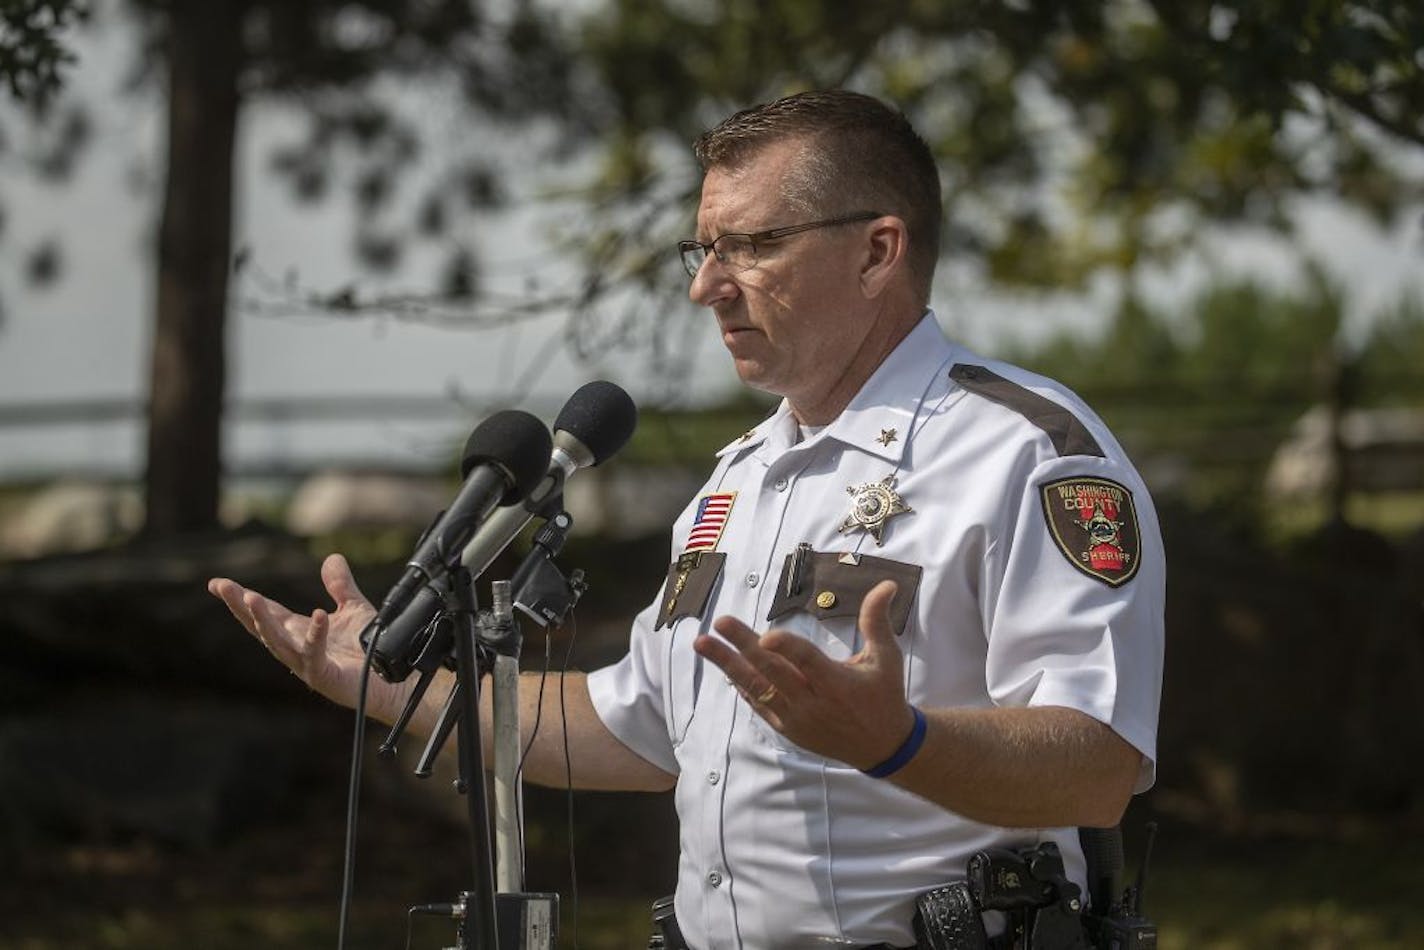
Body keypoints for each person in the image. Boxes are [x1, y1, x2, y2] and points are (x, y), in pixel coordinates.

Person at [210, 90, 1164, 950]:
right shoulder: (738, 481)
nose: (707, 285)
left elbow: (1099, 764)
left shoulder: (1027, 454)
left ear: (878, 250)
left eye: (752, 246)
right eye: (703, 249)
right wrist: (387, 684)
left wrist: (898, 740)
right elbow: (641, 726)